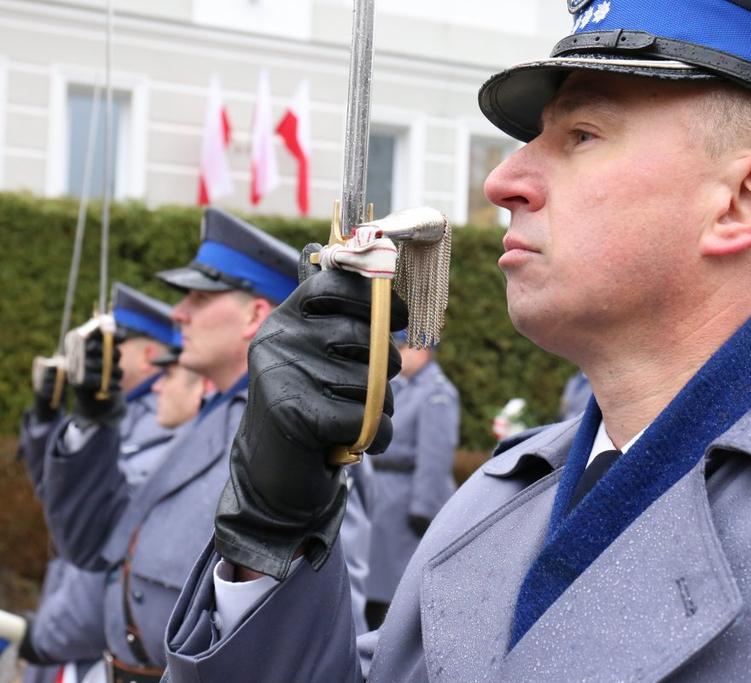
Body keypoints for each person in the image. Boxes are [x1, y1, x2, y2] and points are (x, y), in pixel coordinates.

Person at [164, 2, 751, 681]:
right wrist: (273, 532)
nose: (504, 179)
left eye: (580, 135)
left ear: (742, 203)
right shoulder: (494, 506)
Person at [39, 209, 374, 681]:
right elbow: (92, 542)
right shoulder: (209, 419)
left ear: (254, 315)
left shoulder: (304, 435)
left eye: (199, 297)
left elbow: (324, 625)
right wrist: (94, 424)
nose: (178, 314)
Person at [16, 283, 179, 683]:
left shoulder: (165, 415)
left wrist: (54, 632)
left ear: (148, 354)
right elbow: (55, 494)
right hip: (72, 606)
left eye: (113, 345)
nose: (95, 356)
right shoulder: (114, 408)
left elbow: (109, 530)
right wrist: (45, 417)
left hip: (95, 630)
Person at [365, 331, 459, 630]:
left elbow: (435, 457)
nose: (397, 353)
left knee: (399, 590)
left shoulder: (436, 392)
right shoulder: (399, 386)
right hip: (384, 495)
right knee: (375, 582)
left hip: (408, 499)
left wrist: (424, 508)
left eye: (403, 347)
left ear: (424, 350)